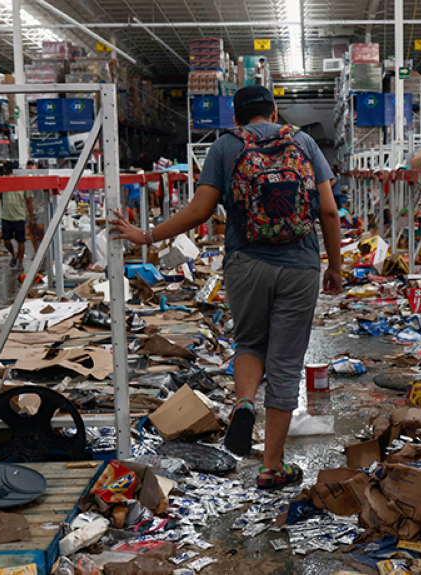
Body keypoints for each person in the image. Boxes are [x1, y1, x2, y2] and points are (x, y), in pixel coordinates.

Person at [110, 85, 342, 489]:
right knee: (286, 365)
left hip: (246, 264)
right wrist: (335, 267)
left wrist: (147, 237)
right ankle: (272, 466)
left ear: (236, 117)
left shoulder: (225, 147)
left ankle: (244, 402)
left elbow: (199, 212)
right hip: (300, 266)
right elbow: (328, 210)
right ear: (274, 111)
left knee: (250, 344)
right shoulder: (303, 142)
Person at [0, 187, 34, 269]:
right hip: (6, 217)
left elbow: (28, 201)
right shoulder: (3, 183)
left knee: (21, 241)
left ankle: (20, 262)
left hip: (20, 217)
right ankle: (14, 255)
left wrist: (31, 218)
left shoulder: (23, 184)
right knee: (6, 241)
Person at [25, 159, 48, 252]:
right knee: (32, 232)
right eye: (29, 165)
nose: (30, 167)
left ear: (36, 167)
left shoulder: (41, 177)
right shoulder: (25, 179)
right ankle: (37, 251)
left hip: (40, 207)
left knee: (41, 228)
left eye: (32, 165)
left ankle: (43, 249)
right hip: (28, 208)